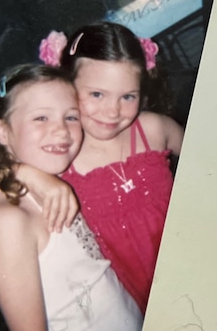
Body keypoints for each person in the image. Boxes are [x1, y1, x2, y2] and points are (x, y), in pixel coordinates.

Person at [0, 64, 142, 331]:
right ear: (2, 131)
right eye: (41, 118)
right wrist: (26, 174)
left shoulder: (54, 169)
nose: (61, 130)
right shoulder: (7, 220)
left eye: (71, 117)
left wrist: (26, 173)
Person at [27, 22, 184, 313]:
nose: (113, 111)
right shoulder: (57, 158)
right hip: (135, 306)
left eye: (128, 96)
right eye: (97, 94)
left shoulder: (154, 129)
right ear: (65, 86)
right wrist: (28, 175)